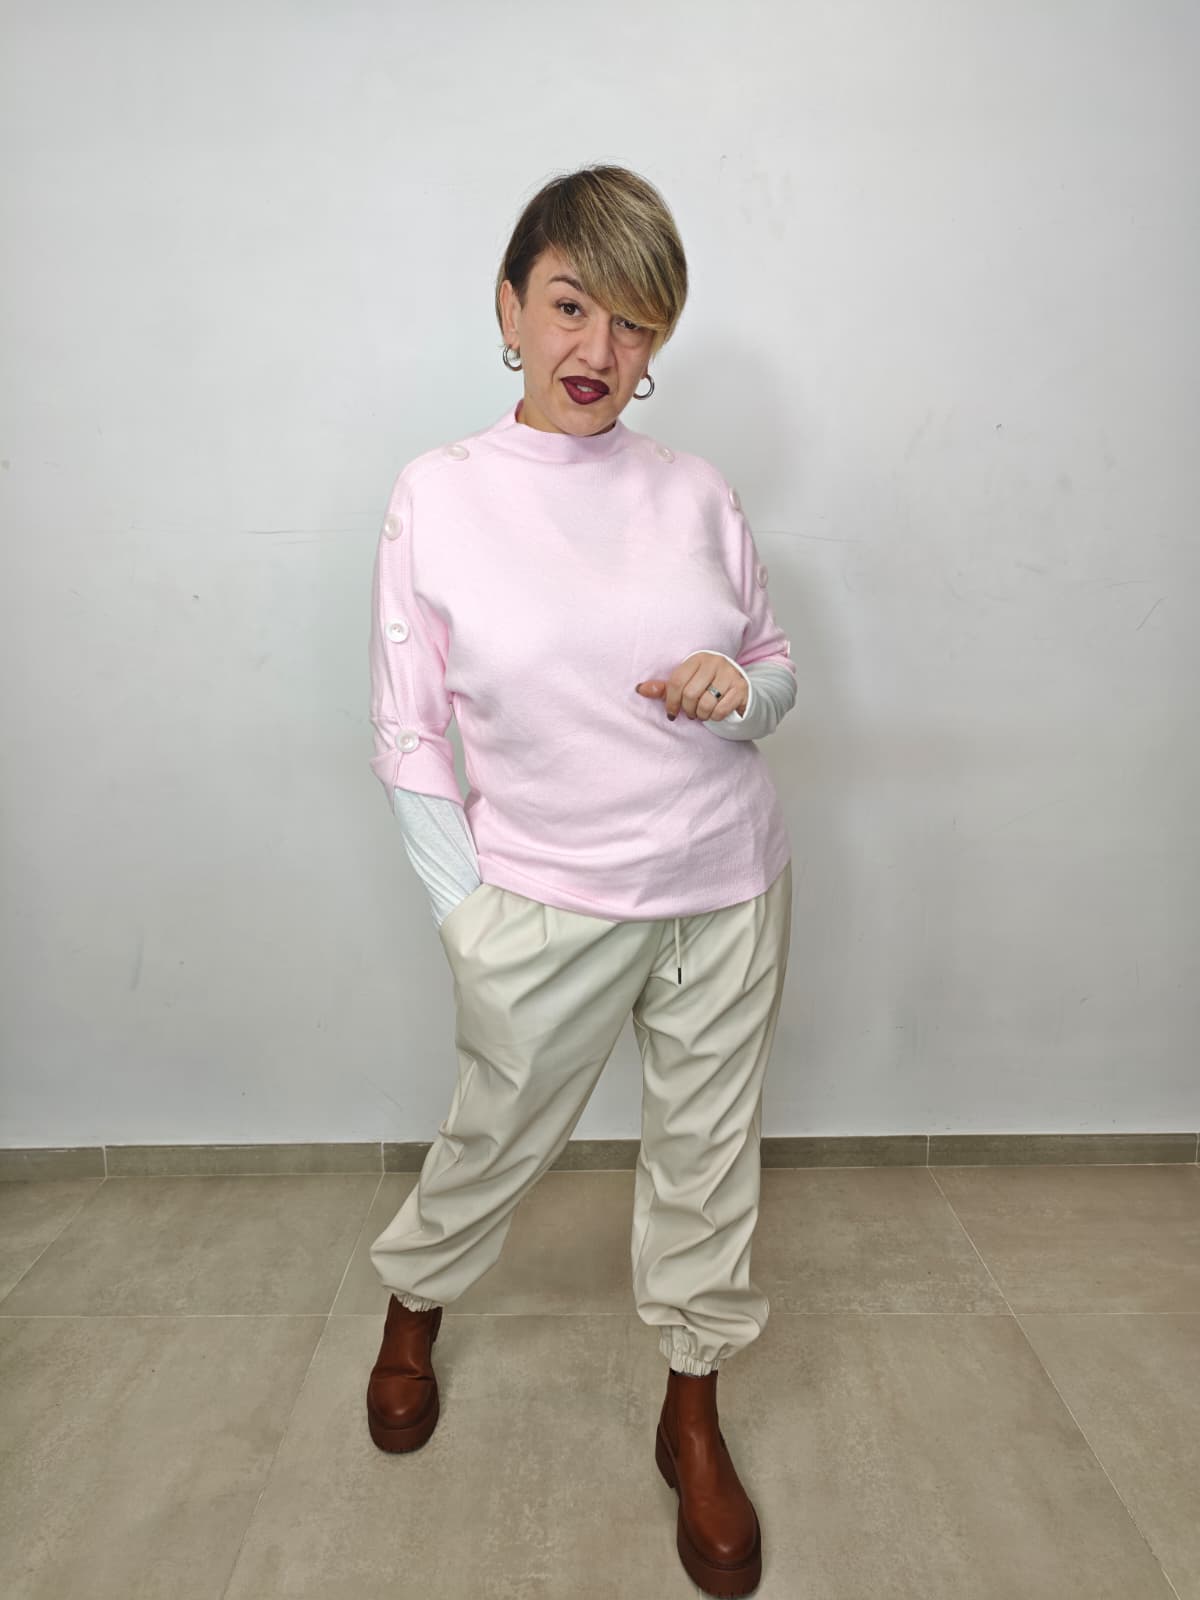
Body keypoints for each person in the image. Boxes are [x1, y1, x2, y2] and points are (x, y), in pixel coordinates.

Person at [363, 163, 796, 1598]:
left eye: (633, 320)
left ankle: (692, 1408)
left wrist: (738, 687)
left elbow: (774, 669)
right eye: (568, 306)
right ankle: (414, 1301)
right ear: (509, 307)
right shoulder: (440, 496)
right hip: (545, 900)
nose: (598, 348)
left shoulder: (698, 493)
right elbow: (407, 730)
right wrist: (467, 918)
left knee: (707, 1161)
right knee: (495, 1134)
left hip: (726, 885)